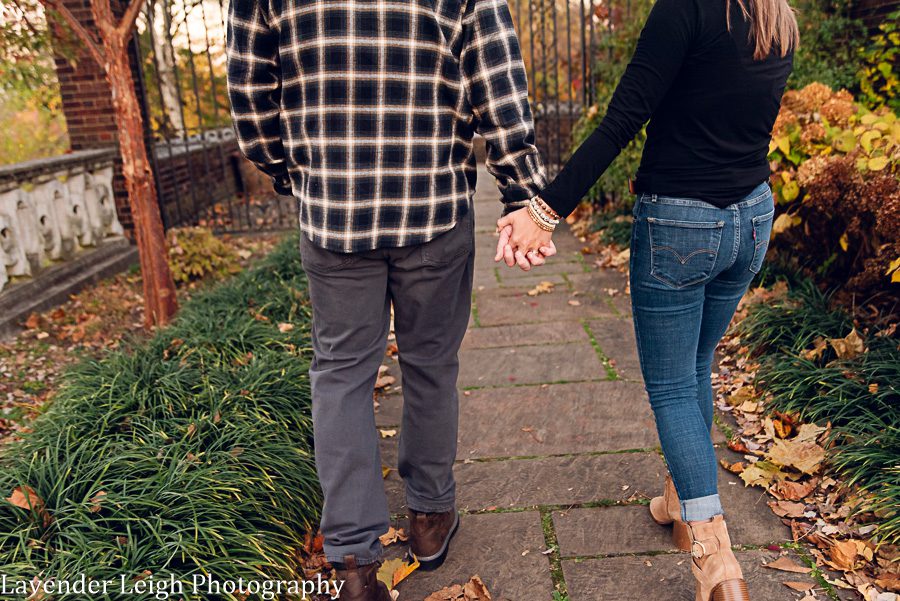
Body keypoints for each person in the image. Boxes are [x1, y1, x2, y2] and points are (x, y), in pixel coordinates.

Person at [226, 0, 550, 598]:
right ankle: (429, 519)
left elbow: (251, 101)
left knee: (341, 376)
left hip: (333, 215)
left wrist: (298, 173)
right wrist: (523, 194)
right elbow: (500, 90)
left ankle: (353, 563)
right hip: (431, 209)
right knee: (429, 365)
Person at [495, 0, 798, 599]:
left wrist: (543, 210)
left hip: (681, 227)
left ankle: (717, 560)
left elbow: (621, 121)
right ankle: (679, 499)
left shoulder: (684, 10)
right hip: (752, 219)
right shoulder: (778, 16)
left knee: (673, 386)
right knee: (696, 367)